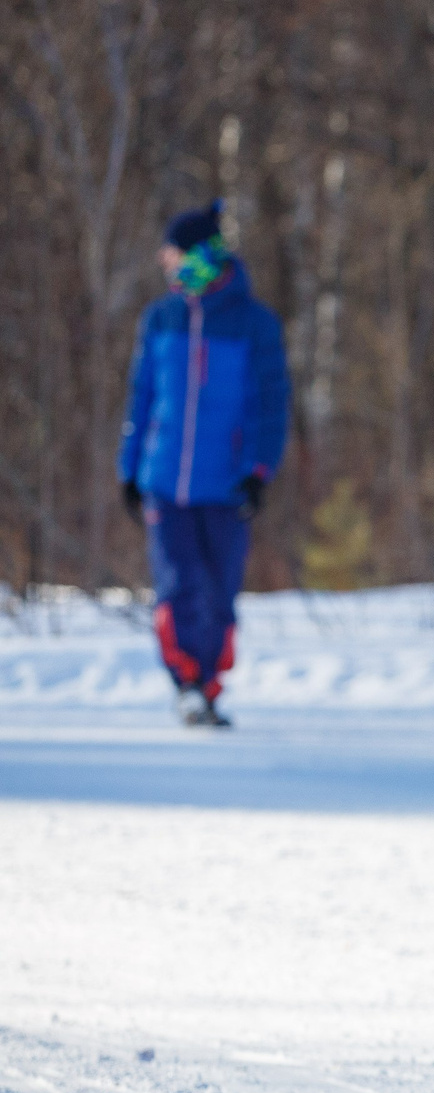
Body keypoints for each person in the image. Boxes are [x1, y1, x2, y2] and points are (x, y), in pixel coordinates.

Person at [117, 201, 290, 729]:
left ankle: (210, 686)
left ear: (200, 255)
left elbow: (271, 403)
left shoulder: (254, 324)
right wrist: (129, 470)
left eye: (172, 252)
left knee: (217, 593)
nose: (164, 261)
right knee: (179, 584)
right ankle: (186, 683)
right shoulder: (162, 319)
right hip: (164, 483)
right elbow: (140, 398)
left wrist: (259, 470)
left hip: (227, 484)